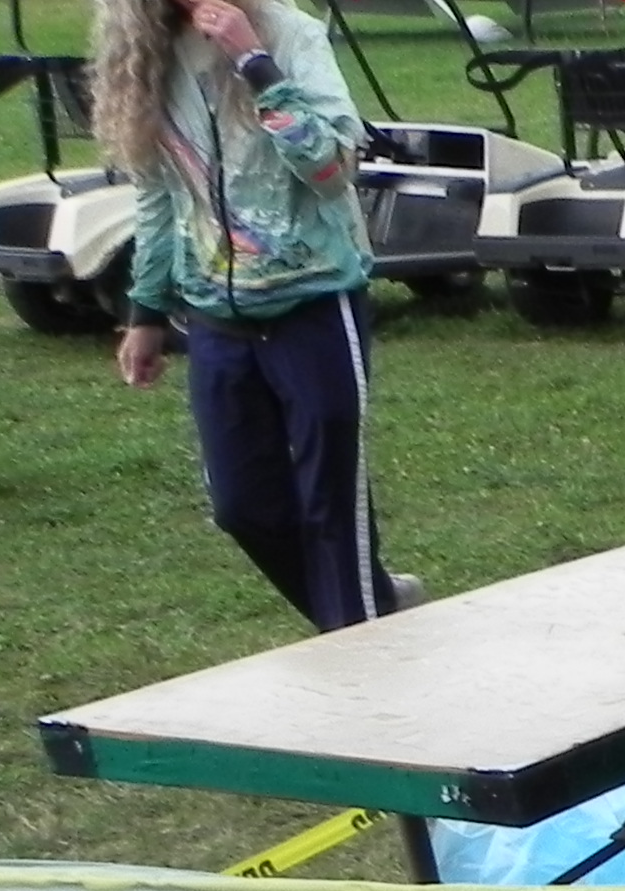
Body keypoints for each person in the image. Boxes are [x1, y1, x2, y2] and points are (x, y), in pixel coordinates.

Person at [96, 0, 399, 630]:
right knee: (242, 507)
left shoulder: (290, 34)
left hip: (315, 303)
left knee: (332, 508)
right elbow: (158, 196)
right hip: (216, 318)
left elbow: (332, 169)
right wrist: (146, 312)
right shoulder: (145, 52)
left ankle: (364, 645)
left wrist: (255, 61)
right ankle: (380, 615)